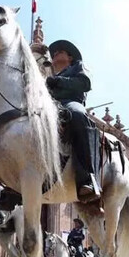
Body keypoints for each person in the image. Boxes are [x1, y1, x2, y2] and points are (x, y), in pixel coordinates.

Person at [46, 40, 100, 204]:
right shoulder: (48, 74)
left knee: (77, 115)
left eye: (59, 52)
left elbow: (84, 83)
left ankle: (87, 178)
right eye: (53, 54)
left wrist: (58, 82)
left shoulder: (77, 67)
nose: (55, 55)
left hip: (70, 102)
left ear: (70, 57)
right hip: (48, 106)